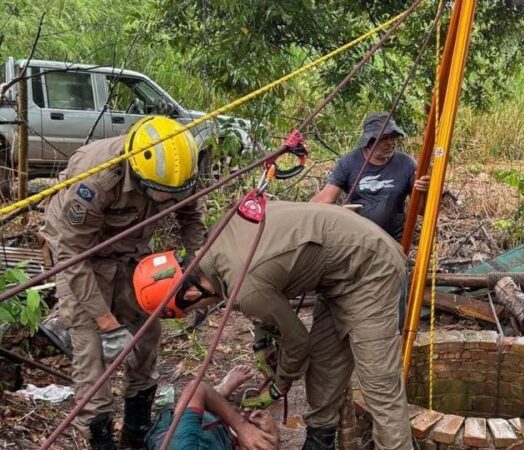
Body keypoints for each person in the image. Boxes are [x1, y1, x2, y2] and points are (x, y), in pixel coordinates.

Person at [133, 202, 414, 450]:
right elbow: (270, 287)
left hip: (369, 266)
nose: (201, 310)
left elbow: (297, 342)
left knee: (379, 385)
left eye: (191, 310)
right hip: (335, 275)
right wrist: (265, 338)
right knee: (324, 370)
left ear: (191, 295)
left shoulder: (244, 288)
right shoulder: (218, 239)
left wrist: (278, 386)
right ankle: (319, 441)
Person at [39, 116, 207, 449]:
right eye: (159, 194)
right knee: (93, 359)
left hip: (132, 255)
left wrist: (201, 269)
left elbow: (191, 217)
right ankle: (100, 438)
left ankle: (136, 430)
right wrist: (106, 321)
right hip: (81, 256)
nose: (166, 200)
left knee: (146, 339)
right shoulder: (97, 179)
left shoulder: (181, 170)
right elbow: (71, 255)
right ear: (137, 172)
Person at [310, 111, 429, 240]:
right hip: (358, 241)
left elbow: (422, 211)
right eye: (384, 138)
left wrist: (425, 191)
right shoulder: (349, 162)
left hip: (394, 243)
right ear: (370, 141)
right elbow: (323, 200)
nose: (391, 143)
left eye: (393, 137)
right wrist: (340, 213)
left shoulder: (407, 164)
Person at [145, 365, 280, 450]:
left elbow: (196, 388)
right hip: (221, 439)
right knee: (262, 434)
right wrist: (272, 439)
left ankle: (220, 393)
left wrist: (242, 426)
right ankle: (220, 407)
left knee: (197, 402)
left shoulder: (184, 445)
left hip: (181, 428)